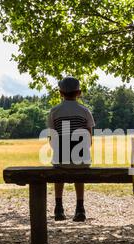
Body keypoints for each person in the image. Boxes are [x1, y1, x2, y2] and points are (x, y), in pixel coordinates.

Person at [47, 76, 95, 222]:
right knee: (79, 170)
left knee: (58, 169)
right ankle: (80, 209)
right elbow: (89, 139)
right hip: (81, 159)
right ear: (79, 92)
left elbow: (52, 139)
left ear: (60, 92)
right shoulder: (85, 111)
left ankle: (58, 208)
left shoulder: (54, 111)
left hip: (61, 160)